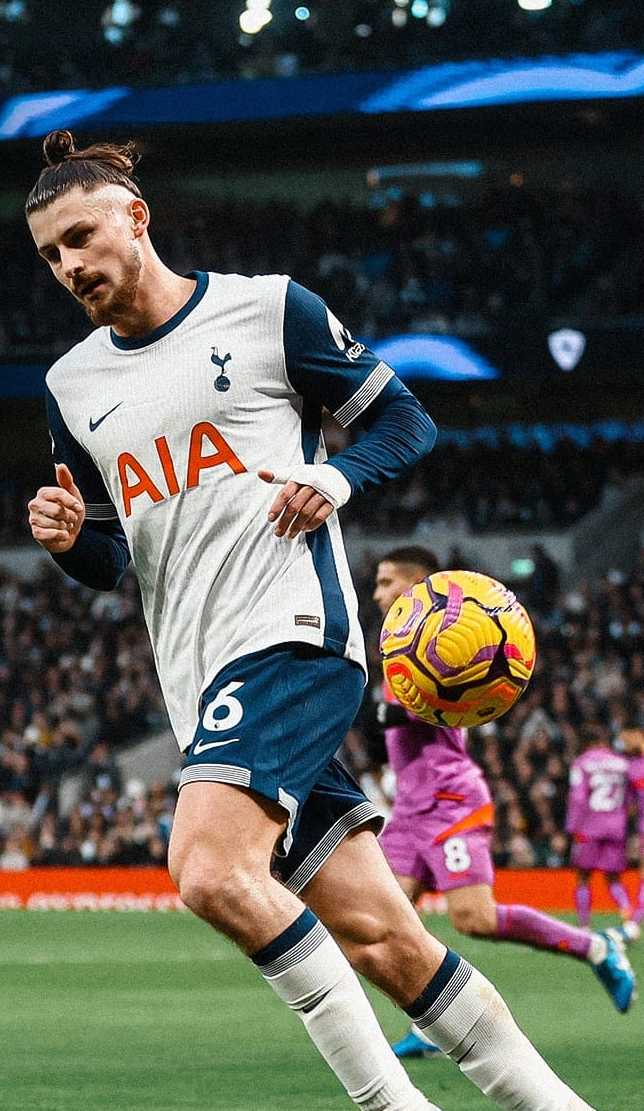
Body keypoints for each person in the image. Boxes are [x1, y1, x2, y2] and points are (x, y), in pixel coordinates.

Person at [25, 128, 613, 1111]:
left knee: (211, 871)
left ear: (136, 215)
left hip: (294, 635)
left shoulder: (266, 311)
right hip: (197, 678)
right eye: (48, 255)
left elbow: (404, 419)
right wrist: (64, 539)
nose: (68, 265)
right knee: (387, 938)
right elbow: (109, 558)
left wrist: (332, 476)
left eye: (80, 236)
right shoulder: (71, 388)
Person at [371, 546, 637, 1059]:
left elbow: (402, 717)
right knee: (379, 922)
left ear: (417, 586)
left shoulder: (447, 646)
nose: (378, 593)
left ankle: (598, 947)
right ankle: (433, 1026)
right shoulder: (399, 650)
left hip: (450, 801)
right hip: (409, 808)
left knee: (475, 919)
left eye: (386, 582)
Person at [566, 722, 634, 931]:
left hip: (589, 826)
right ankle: (629, 917)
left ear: (587, 743)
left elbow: (577, 798)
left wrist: (571, 828)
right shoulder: (623, 764)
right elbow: (631, 800)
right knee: (613, 878)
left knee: (583, 878)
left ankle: (584, 926)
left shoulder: (582, 763)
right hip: (616, 826)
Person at [608, 717, 644, 943]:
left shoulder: (630, 768)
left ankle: (634, 922)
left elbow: (628, 805)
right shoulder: (631, 767)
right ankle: (634, 920)